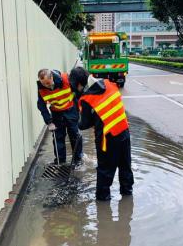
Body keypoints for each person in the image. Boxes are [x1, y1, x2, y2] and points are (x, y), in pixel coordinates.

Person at [69, 67, 133, 201]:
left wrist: (77, 105)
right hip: (124, 132)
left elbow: (84, 124)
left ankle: (103, 204)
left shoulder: (86, 99)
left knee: (104, 171)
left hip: (107, 140)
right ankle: (127, 196)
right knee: (125, 167)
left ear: (79, 84)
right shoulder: (109, 84)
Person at [37, 68, 83, 164]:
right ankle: (60, 161)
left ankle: (78, 160)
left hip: (71, 110)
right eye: (44, 84)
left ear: (52, 77)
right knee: (58, 138)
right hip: (57, 114)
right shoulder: (41, 88)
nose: (47, 86)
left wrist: (80, 108)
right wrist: (49, 122)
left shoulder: (66, 79)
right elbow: (41, 105)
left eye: (48, 83)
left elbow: (79, 92)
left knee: (75, 135)